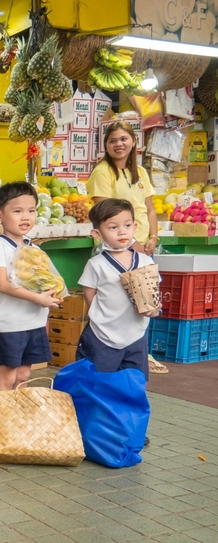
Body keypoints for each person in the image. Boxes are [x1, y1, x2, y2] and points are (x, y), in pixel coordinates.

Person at [88, 120, 167, 374]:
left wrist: (153, 237)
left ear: (133, 141)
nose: (118, 144)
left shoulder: (140, 172)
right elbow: (104, 212)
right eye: (112, 141)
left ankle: (140, 349)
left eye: (123, 139)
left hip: (143, 246)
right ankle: (111, 347)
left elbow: (150, 209)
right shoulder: (102, 171)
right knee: (120, 299)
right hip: (120, 248)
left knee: (145, 298)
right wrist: (132, 243)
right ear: (106, 146)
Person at [0, 182, 62, 391]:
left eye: (31, 211)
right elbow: (2, 284)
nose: (26, 217)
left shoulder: (32, 246)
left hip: (35, 322)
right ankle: (2, 422)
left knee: (24, 375)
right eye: (17, 211)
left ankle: (19, 420)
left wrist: (52, 293)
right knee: (8, 377)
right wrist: (38, 299)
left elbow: (43, 279)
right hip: (10, 324)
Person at [77, 198, 155, 375]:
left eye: (127, 225)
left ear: (135, 227)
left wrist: (153, 310)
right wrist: (105, 316)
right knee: (98, 383)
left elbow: (153, 293)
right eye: (113, 227)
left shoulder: (144, 260)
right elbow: (89, 295)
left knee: (134, 384)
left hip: (135, 335)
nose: (122, 232)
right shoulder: (96, 264)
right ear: (97, 233)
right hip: (102, 336)